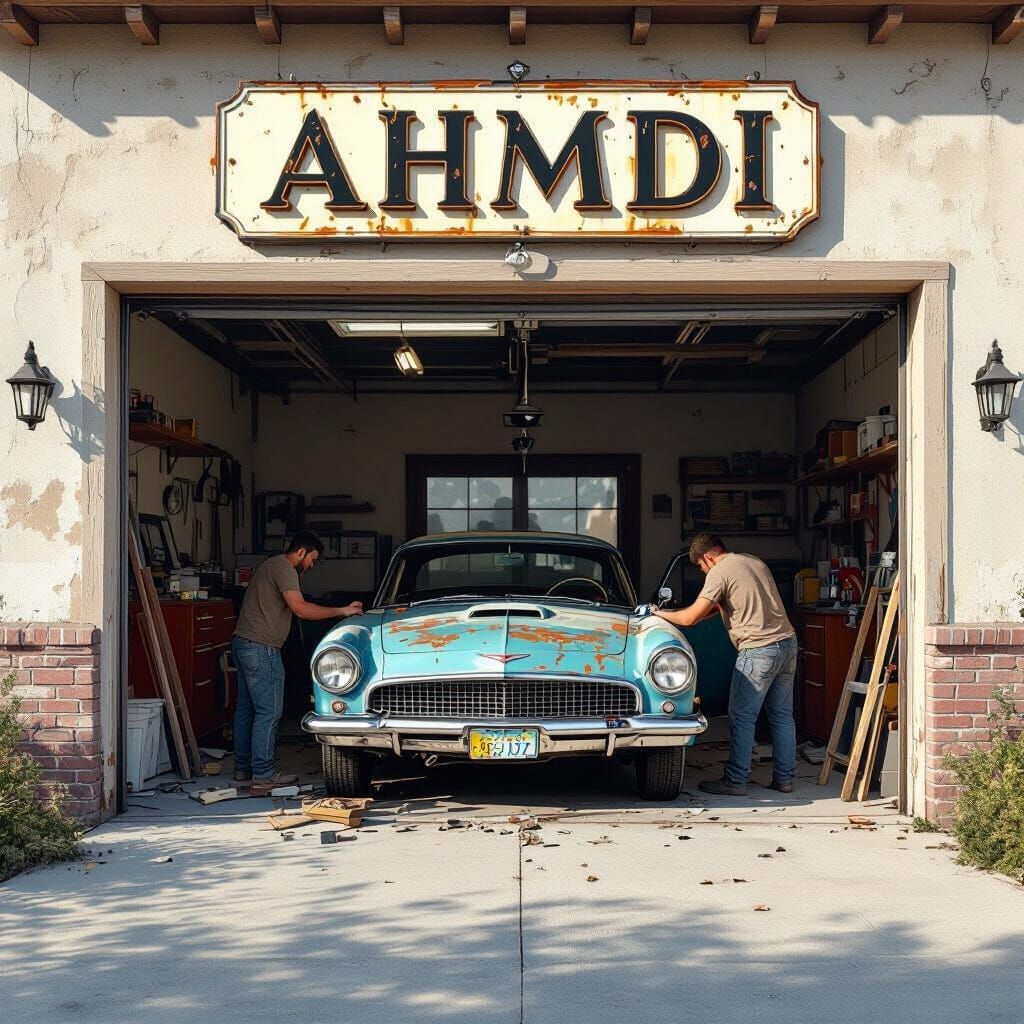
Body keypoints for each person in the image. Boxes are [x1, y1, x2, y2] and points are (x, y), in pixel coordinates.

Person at [653, 532, 797, 797]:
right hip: (788, 644)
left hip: (758, 649)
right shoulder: (752, 561)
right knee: (781, 716)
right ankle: (784, 780)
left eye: (700, 567)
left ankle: (735, 781)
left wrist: (656, 613)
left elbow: (690, 618)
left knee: (742, 717)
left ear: (708, 557)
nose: (703, 572)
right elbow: (726, 606)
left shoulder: (719, 572)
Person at [231, 531, 364, 797]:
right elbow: (300, 609)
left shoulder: (270, 565)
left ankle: (243, 771)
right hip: (261, 648)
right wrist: (342, 611)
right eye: (312, 559)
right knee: (269, 713)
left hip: (243, 643)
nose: (311, 565)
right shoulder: (285, 568)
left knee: (246, 710)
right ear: (301, 552)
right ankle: (264, 777)